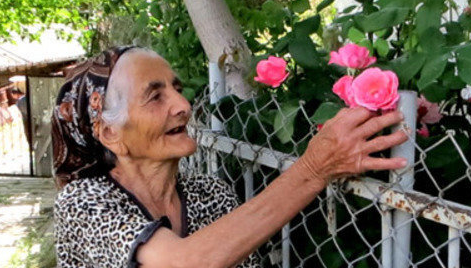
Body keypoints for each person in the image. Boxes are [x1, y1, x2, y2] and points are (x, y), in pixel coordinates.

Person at [52, 46, 409, 268]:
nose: (183, 106)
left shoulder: (211, 194)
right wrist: (315, 167)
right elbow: (182, 264)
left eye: (177, 89)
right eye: (155, 96)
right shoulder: (84, 203)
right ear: (110, 134)